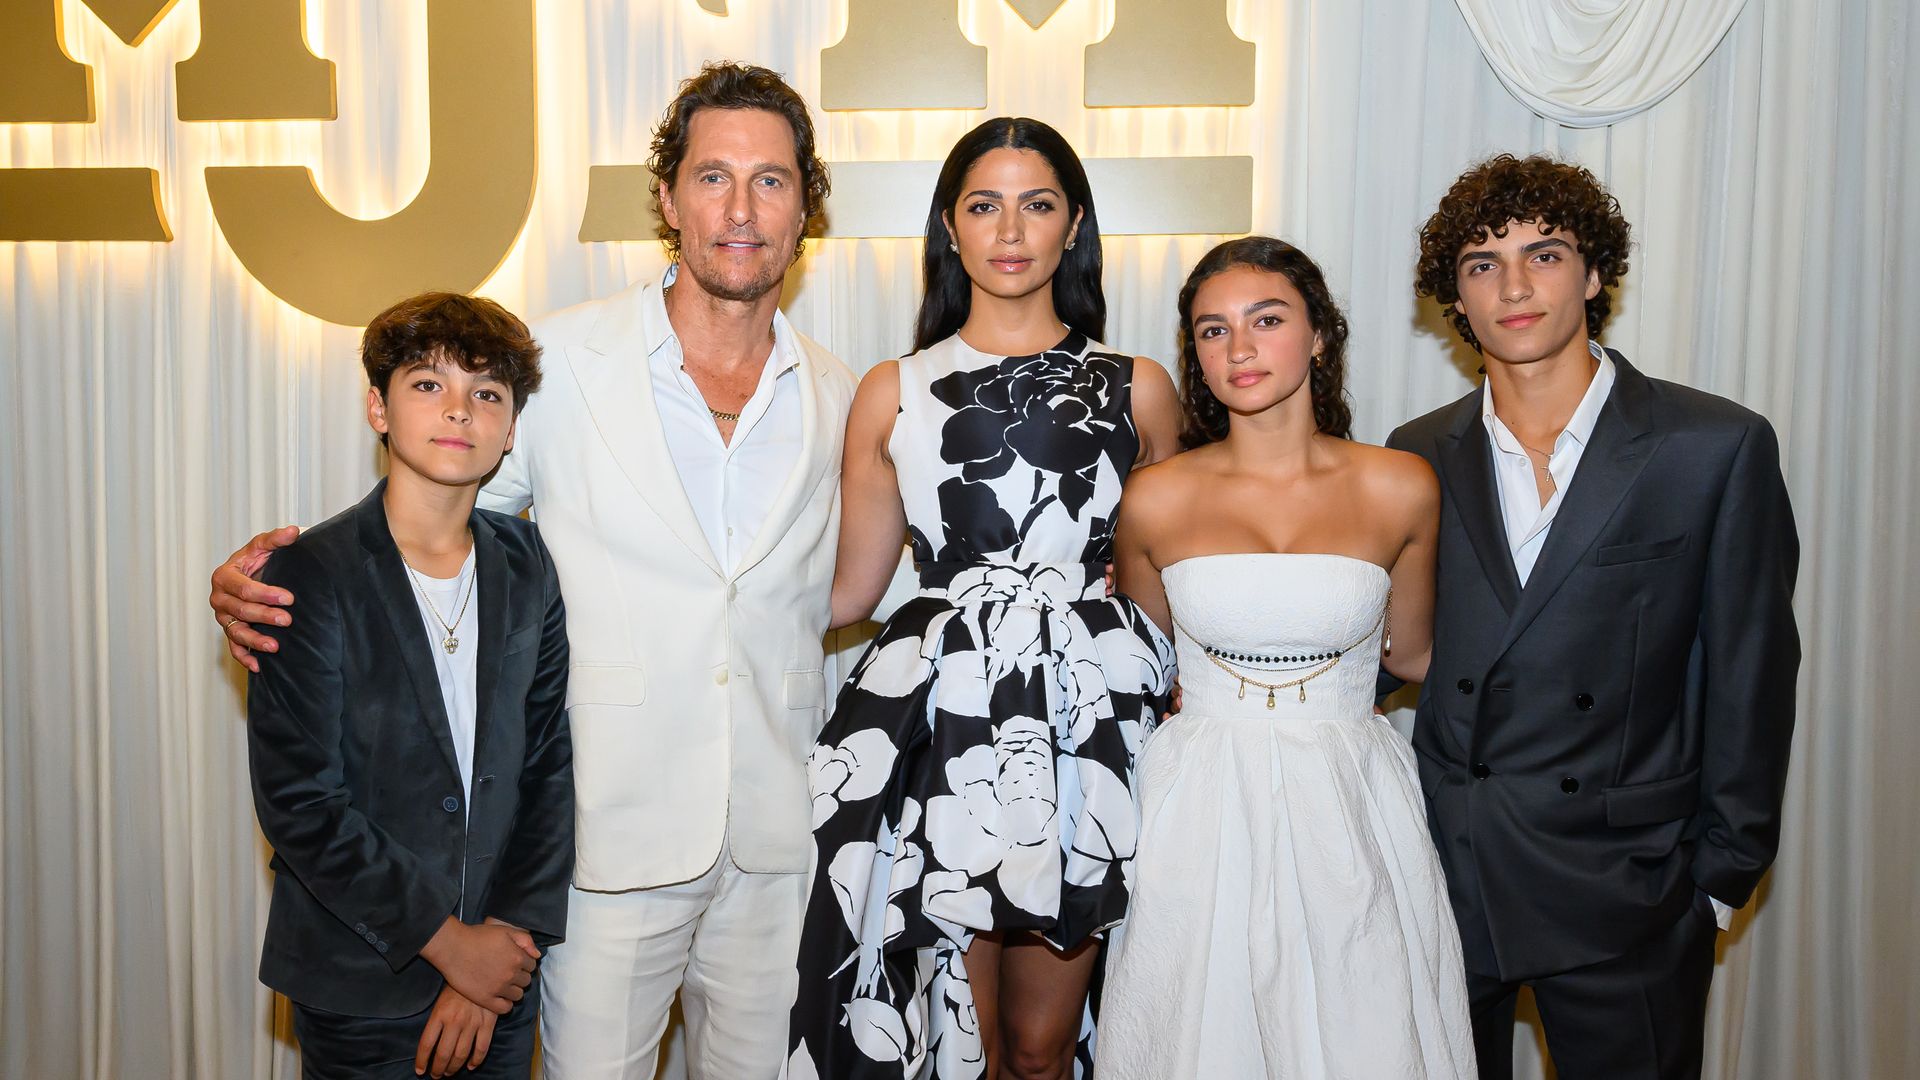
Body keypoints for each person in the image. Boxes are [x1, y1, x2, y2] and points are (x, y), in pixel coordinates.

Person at [211, 62, 858, 1079]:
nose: (740, 208)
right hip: (600, 847)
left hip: (779, 844)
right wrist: (268, 579)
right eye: (713, 176)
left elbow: (860, 586)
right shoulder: (558, 366)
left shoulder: (838, 389)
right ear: (667, 196)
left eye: (771, 180)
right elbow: (438, 541)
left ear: (804, 206)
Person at [1390, 153, 1800, 1080]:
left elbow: (1751, 668)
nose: (1516, 285)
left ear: (1595, 272)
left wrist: (1718, 881)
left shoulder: (1712, 446)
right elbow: (1397, 649)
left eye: (1545, 253)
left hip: (1633, 888)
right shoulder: (1415, 455)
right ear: (1455, 298)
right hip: (1450, 879)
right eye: (1482, 264)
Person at [789, 117, 1181, 1080]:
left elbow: (1164, 583)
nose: (1011, 230)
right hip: (940, 724)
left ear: (1074, 226)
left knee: (1042, 1050)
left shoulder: (1140, 389)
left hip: (1087, 728)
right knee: (954, 1039)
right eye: (984, 204)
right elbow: (852, 589)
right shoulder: (894, 391)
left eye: (1038, 204)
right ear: (951, 228)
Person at [1093, 237, 1476, 1078]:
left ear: (1319, 337)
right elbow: (1154, 656)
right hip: (1198, 799)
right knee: (1194, 1029)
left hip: (1351, 792)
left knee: (1364, 1019)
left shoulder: (1400, 484)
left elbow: (1411, 652)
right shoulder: (1155, 496)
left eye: (1267, 320)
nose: (1239, 348)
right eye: (1211, 330)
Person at [245, 292, 572, 1079]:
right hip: (362, 982)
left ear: (509, 430)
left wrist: (498, 953)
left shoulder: (529, 565)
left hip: (501, 977)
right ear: (377, 408)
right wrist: (449, 946)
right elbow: (302, 803)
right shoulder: (307, 575)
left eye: (486, 393)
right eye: (428, 384)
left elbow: (547, 768)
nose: (459, 410)